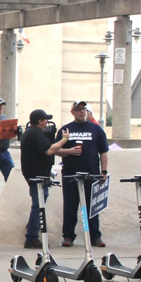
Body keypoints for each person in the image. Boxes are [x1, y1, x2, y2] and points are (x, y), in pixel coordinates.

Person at [54, 100, 109, 247]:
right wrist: (69, 151)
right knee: (70, 206)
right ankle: (68, 236)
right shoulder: (65, 130)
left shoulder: (96, 129)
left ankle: (95, 237)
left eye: (84, 109)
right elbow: (55, 150)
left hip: (92, 174)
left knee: (93, 207)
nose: (82, 112)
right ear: (72, 112)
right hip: (70, 175)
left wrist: (103, 171)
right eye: (78, 109)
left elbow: (103, 152)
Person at [20, 109, 69, 249]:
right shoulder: (35, 133)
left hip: (34, 174)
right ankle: (31, 237)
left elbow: (48, 149)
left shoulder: (30, 132)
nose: (47, 122)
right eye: (45, 119)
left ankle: (32, 226)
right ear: (40, 121)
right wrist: (64, 140)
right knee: (38, 204)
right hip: (37, 175)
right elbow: (49, 150)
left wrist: (68, 151)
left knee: (38, 202)